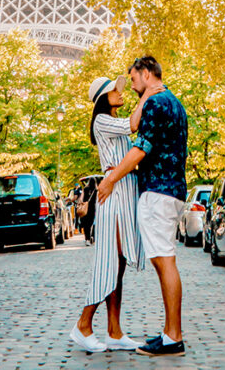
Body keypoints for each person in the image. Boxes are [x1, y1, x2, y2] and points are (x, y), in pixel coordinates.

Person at [98, 56, 188, 358]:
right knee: (166, 260)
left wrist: (111, 179)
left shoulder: (153, 105)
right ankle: (169, 333)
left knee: (164, 261)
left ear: (146, 73)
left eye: (134, 78)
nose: (132, 84)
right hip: (174, 190)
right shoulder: (175, 102)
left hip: (157, 192)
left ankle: (173, 336)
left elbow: (141, 148)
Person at [69, 73, 156, 353]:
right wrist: (148, 93)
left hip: (123, 193)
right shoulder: (102, 120)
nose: (121, 93)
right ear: (103, 98)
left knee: (116, 268)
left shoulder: (108, 121)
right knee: (109, 264)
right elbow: (133, 125)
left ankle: (114, 331)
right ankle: (83, 324)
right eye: (115, 91)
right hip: (114, 194)